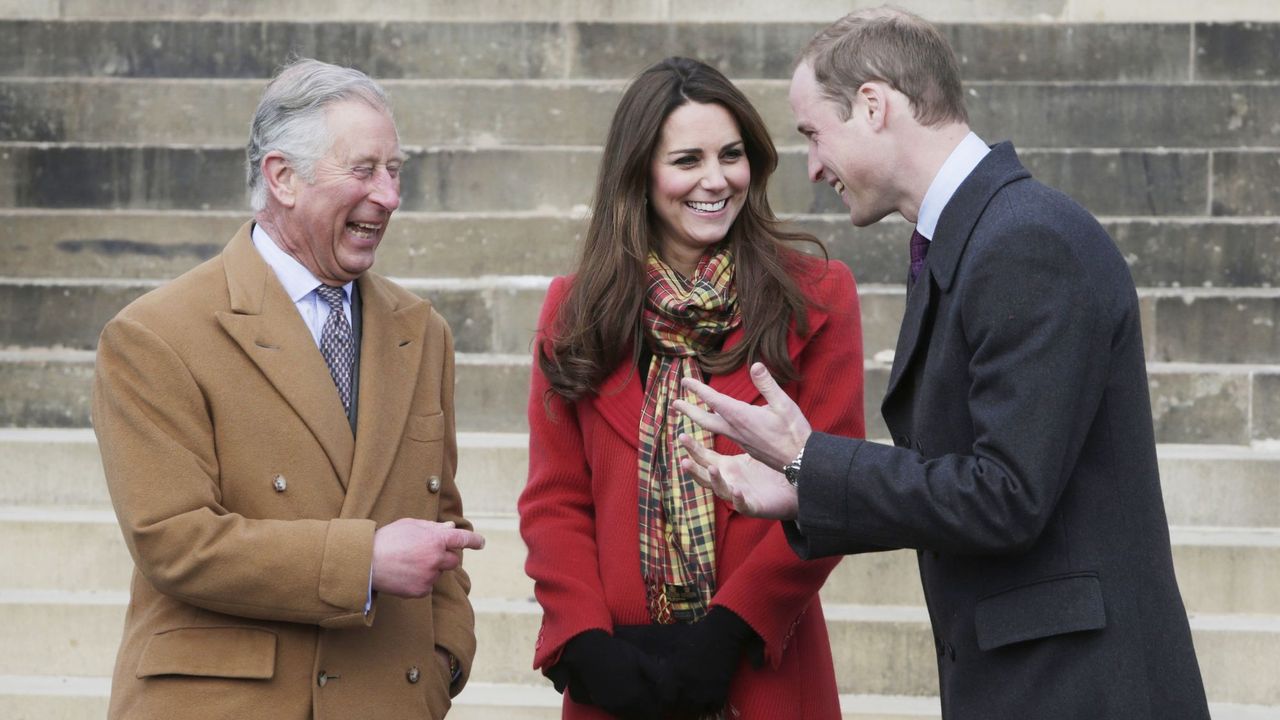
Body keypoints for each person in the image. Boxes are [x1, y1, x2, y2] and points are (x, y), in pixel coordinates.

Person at [674, 8, 1210, 720]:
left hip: (1079, 688)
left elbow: (1005, 495)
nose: (811, 165)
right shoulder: (980, 236)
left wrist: (812, 460)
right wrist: (807, 491)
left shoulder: (1025, 241)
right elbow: (965, 482)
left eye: (812, 133)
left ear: (873, 105)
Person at [92, 58, 485, 720]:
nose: (388, 196)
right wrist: (362, 562)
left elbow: (440, 517)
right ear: (283, 178)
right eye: (363, 170)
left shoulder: (422, 331)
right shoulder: (155, 334)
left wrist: (446, 657)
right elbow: (174, 540)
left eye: (395, 172)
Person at [518, 57, 864, 719]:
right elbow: (556, 499)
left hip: (758, 663)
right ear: (640, 174)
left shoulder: (817, 298)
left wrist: (732, 627)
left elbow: (834, 491)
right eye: (687, 160)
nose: (716, 180)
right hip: (620, 676)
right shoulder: (575, 311)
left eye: (731, 155)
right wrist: (584, 641)